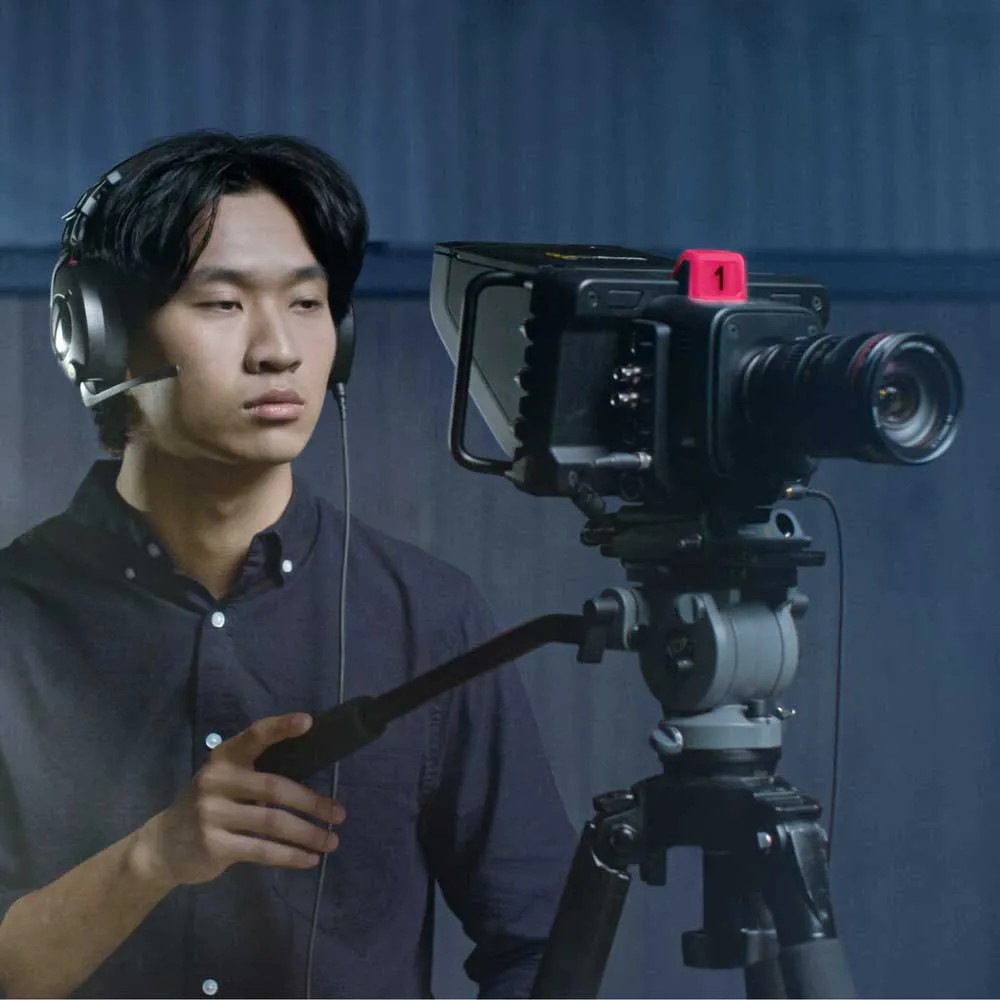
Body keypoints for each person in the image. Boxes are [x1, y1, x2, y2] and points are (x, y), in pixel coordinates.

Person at [0, 131, 575, 998]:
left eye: (307, 303)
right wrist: (153, 858)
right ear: (102, 335)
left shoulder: (428, 612)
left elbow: (540, 943)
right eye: (222, 303)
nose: (278, 350)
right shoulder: (12, 621)